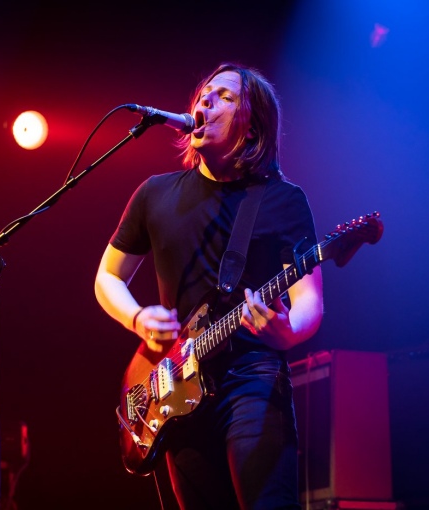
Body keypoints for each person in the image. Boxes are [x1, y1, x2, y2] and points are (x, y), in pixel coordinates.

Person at [94, 62, 324, 509]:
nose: (205, 101)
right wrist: (138, 318)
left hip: (251, 375)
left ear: (252, 122)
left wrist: (288, 330)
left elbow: (309, 300)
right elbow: (108, 277)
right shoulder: (154, 194)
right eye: (203, 94)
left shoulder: (283, 200)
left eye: (224, 96)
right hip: (176, 386)